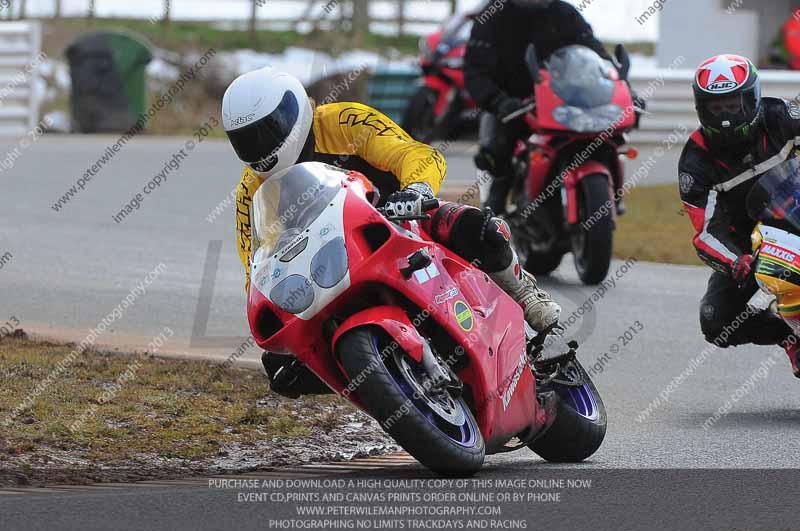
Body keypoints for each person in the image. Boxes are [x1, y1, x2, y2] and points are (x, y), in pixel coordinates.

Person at [222, 66, 562, 397]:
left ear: (294, 112)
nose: (259, 147)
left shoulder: (345, 120)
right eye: (247, 140)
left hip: (398, 220)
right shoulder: (250, 190)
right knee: (281, 369)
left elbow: (414, 154)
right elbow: (256, 266)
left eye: (268, 130)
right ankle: (384, 385)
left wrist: (416, 190)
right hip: (330, 266)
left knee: (476, 227)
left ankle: (524, 293)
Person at [678, 53, 800, 377]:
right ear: (701, 108)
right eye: (717, 108)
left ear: (752, 97)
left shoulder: (782, 116)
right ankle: (790, 337)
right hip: (749, 240)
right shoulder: (695, 160)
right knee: (714, 319)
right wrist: (738, 262)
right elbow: (703, 231)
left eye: (733, 105)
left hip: (797, 211)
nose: (727, 116)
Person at [464, 0, 613, 214]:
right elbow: (474, 69)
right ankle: (491, 222)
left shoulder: (564, 13)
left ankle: (602, 199)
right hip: (511, 107)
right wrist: (497, 101)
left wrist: (619, 83)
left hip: (562, 103)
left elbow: (594, 51)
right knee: (498, 159)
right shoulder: (494, 14)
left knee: (602, 141)